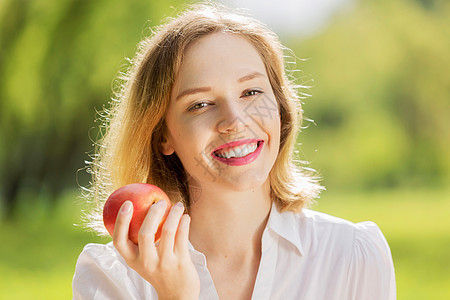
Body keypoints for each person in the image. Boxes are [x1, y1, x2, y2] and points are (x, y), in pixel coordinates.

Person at [72, 3, 396, 299]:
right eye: (200, 104)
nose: (234, 121)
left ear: (280, 107)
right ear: (162, 136)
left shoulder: (352, 256)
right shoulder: (112, 277)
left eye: (251, 92)